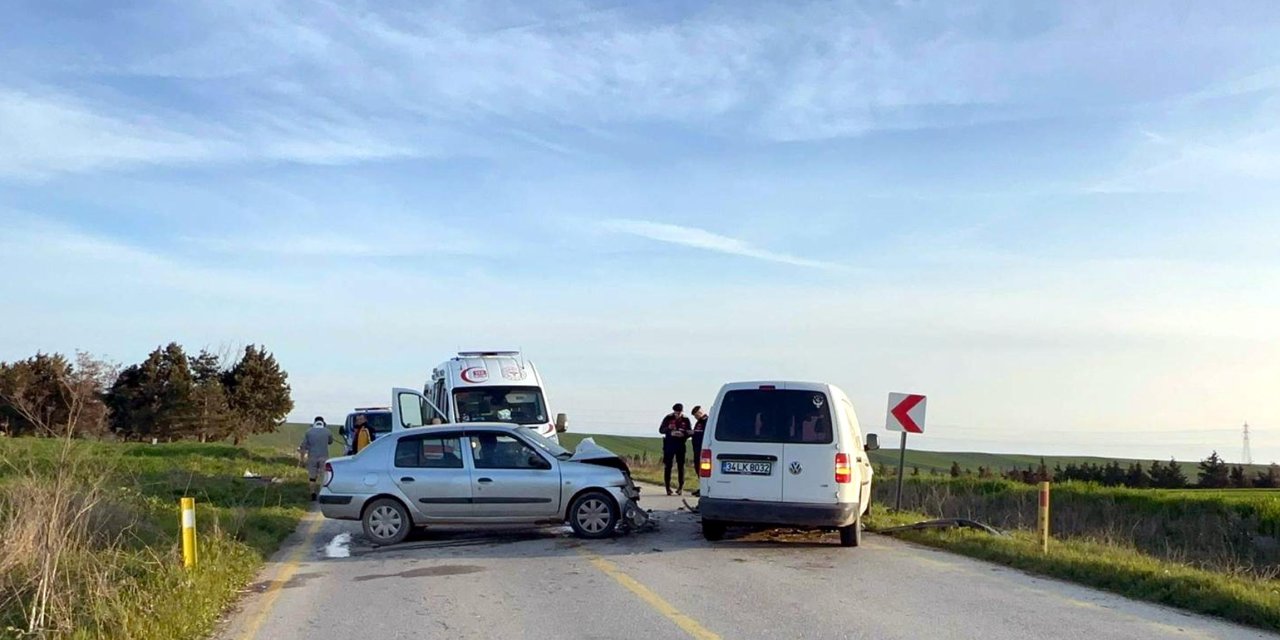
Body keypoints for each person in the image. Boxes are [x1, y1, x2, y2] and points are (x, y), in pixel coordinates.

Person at [659, 403, 692, 496]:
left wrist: (684, 434)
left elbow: (689, 431)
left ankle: (680, 487)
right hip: (669, 445)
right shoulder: (668, 418)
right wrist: (669, 429)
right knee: (668, 466)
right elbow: (661, 430)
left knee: (681, 466)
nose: (678, 414)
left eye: (679, 412)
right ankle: (668, 488)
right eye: (676, 412)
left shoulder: (686, 419)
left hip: (680, 445)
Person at [298, 416, 333, 501]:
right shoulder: (327, 431)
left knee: (312, 477)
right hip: (324, 457)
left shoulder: (309, 432)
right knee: (323, 476)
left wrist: (302, 460)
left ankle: (312, 493)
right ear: (323, 423)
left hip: (312, 457)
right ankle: (322, 493)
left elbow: (303, 447)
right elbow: (330, 442)